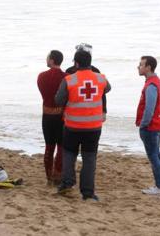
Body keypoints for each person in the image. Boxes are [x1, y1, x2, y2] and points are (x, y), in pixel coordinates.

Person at [55, 50, 110, 201]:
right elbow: (108, 89)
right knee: (90, 159)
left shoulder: (69, 80)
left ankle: (67, 184)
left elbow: (58, 101)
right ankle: (88, 193)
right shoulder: (100, 78)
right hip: (93, 127)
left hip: (72, 126)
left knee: (69, 155)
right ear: (90, 62)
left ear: (76, 63)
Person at [136, 56, 160, 195]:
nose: (138, 67)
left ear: (148, 67)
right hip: (158, 124)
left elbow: (149, 108)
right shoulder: (157, 82)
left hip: (151, 126)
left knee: (153, 155)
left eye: (141, 64)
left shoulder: (151, 85)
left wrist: (143, 124)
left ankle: (159, 187)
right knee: (157, 154)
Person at [37, 50, 66, 185]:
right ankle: (58, 175)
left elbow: (44, 94)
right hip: (61, 116)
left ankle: (49, 177)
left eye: (47, 58)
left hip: (47, 115)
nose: (46, 60)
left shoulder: (41, 76)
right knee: (61, 146)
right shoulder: (66, 77)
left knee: (49, 146)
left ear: (52, 60)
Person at [65, 43, 107, 117]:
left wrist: (104, 110)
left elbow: (102, 92)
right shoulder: (69, 71)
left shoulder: (95, 71)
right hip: (75, 112)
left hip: (88, 112)